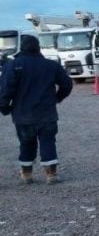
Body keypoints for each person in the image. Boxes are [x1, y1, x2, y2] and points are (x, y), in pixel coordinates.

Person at [0, 36, 72, 184]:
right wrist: (57, 98)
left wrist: (5, 107)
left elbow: (6, 90)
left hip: (22, 114)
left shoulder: (13, 65)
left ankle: (26, 175)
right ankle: (51, 174)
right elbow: (67, 84)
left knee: (26, 142)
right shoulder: (51, 65)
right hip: (47, 112)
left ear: (22, 47)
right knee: (48, 141)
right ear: (38, 47)